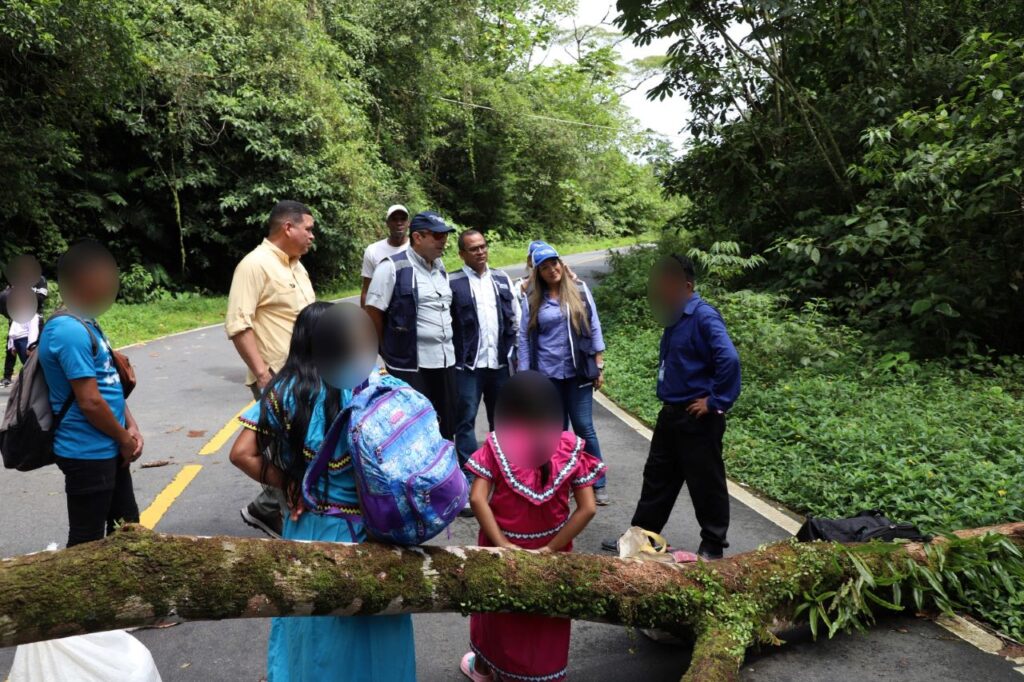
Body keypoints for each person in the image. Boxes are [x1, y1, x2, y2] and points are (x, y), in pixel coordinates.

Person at [229, 302, 416, 682]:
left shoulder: (284, 391)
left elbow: (241, 453)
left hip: (307, 527)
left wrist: (290, 483)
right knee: (374, 632)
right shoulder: (371, 385)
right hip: (370, 529)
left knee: (313, 634)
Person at [460, 370, 603, 682]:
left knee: (495, 608)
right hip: (553, 550)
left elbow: (477, 498)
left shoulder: (497, 446)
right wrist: (550, 548)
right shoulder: (569, 447)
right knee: (545, 614)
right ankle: (542, 674)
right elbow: (588, 508)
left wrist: (502, 543)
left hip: (501, 549)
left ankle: (484, 668)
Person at [601, 254, 741, 560]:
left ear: (686, 285)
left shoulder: (703, 316)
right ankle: (640, 538)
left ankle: (713, 545)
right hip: (671, 414)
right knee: (657, 479)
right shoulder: (675, 317)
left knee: (705, 482)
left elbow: (729, 359)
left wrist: (715, 401)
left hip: (696, 417)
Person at [37, 241, 143, 547]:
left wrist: (131, 426)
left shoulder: (87, 323)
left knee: (127, 528)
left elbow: (108, 382)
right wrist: (124, 439)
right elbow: (90, 401)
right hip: (86, 451)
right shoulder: (67, 330)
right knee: (87, 541)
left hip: (108, 445)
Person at [225, 199, 316, 538]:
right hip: (277, 379)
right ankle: (290, 523)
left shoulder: (298, 267)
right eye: (308, 229)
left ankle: (266, 508)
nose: (312, 236)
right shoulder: (255, 265)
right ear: (288, 228)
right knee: (285, 455)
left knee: (302, 449)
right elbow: (239, 324)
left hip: (307, 377)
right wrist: (263, 375)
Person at [517, 244, 609, 505]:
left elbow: (594, 325)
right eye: (544, 267)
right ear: (538, 272)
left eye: (554, 263)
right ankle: (561, 481)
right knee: (555, 431)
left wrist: (598, 363)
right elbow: (523, 337)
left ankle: (597, 482)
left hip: (578, 371)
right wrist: (525, 376)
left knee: (584, 427)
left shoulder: (579, 290)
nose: (552, 270)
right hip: (547, 374)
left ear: (561, 263)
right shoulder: (532, 298)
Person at [365, 211, 458, 438]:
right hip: (411, 365)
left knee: (445, 427)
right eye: (438, 236)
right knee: (414, 430)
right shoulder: (391, 267)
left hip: (445, 360)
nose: (444, 241)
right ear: (418, 237)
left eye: (445, 236)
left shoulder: (440, 267)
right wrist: (386, 351)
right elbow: (373, 312)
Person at [450, 229, 517, 474]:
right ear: (462, 254)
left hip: (499, 365)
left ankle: (502, 472)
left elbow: (516, 319)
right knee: (465, 421)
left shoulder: (501, 278)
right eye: (473, 249)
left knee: (502, 421)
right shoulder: (452, 282)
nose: (480, 252)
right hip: (467, 367)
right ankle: (470, 474)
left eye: (483, 246)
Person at [1, 270, 48, 387]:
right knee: (11, 347)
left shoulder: (40, 280)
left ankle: (39, 376)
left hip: (34, 318)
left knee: (35, 348)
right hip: (17, 317)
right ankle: (7, 376)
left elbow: (41, 297)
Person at [360, 204, 410, 307]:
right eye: (394, 219)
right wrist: (364, 315)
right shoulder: (373, 250)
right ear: (387, 223)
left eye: (403, 219)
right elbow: (366, 290)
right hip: (381, 310)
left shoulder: (417, 249)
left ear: (408, 223)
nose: (399, 223)